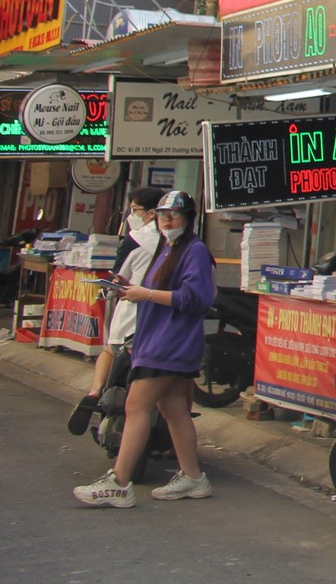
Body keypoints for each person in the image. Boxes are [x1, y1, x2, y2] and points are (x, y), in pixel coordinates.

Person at [73, 190, 215, 507]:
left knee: (137, 407)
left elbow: (196, 298)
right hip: (157, 339)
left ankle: (120, 482)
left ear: (188, 217)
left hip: (170, 343)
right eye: (162, 214)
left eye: (173, 214)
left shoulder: (194, 251)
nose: (166, 219)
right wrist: (123, 290)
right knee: (173, 408)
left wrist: (145, 294)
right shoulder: (167, 248)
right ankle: (193, 477)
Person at [66, 187, 166, 436]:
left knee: (110, 350)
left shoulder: (136, 238)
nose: (131, 214)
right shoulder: (182, 241)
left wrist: (110, 288)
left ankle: (95, 391)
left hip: (132, 308)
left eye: (135, 210)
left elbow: (119, 274)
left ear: (152, 213)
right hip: (165, 314)